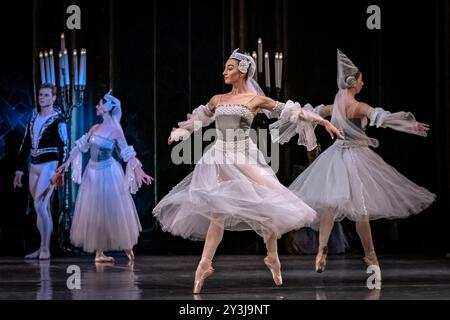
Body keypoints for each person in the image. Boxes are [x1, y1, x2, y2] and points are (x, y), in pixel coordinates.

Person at [152, 49, 343, 294]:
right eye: (225, 67)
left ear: (242, 71)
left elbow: (292, 112)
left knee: (267, 203)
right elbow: (201, 119)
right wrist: (181, 132)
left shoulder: (255, 100)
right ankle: (204, 266)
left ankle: (272, 257)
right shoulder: (218, 99)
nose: (224, 71)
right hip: (219, 157)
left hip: (245, 156)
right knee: (217, 214)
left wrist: (324, 121)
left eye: (229, 68)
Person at [278, 49, 436, 276]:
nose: (363, 84)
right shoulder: (359, 107)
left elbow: (308, 113)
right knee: (361, 210)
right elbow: (386, 120)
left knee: (329, 207)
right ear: (353, 83)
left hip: (335, 158)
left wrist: (288, 115)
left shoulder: (334, 108)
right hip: (358, 158)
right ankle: (371, 257)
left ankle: (322, 248)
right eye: (361, 80)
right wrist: (412, 126)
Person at [56, 91, 153, 263]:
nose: (96, 107)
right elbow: (80, 147)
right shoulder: (95, 128)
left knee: (114, 211)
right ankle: (99, 253)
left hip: (108, 173)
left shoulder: (116, 129)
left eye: (99, 104)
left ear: (107, 107)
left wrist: (140, 172)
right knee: (95, 213)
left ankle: (127, 248)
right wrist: (65, 164)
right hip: (92, 173)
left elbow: (127, 153)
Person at [13, 83, 67, 260]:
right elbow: (25, 145)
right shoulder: (33, 119)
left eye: (46, 95)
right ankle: (42, 247)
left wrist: (60, 171)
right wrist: (19, 170)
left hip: (50, 166)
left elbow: (64, 147)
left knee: (39, 205)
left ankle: (45, 249)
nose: (42, 98)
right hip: (34, 166)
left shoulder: (58, 120)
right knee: (41, 209)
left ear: (53, 98)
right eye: (40, 95)